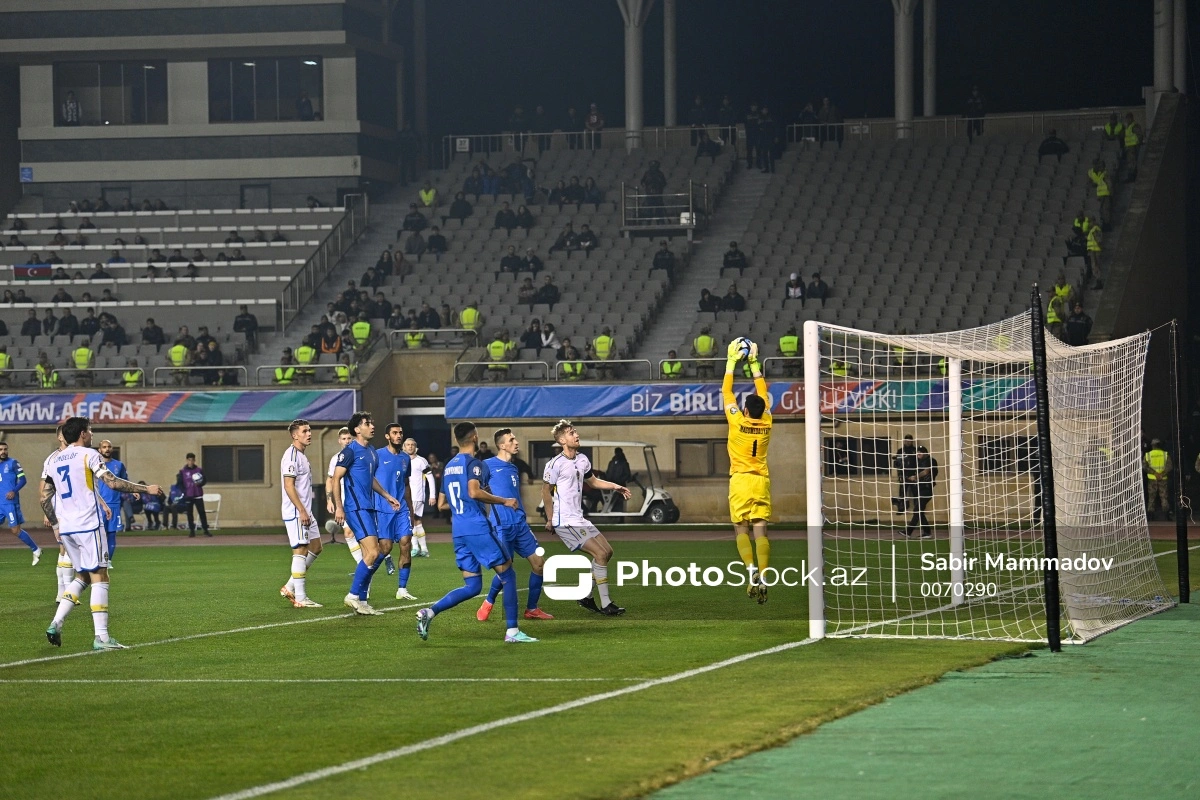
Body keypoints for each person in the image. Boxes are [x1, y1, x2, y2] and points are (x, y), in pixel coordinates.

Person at [42, 416, 164, 650]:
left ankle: (56, 623)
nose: (92, 435)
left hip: (67, 528)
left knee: (83, 576)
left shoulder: (55, 461)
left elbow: (44, 496)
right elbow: (112, 482)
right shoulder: (89, 454)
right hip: (88, 524)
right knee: (101, 576)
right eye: (90, 431)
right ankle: (103, 638)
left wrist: (57, 525)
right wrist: (145, 488)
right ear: (82, 434)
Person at [416, 422, 537, 644]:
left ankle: (429, 613)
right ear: (474, 437)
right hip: (477, 528)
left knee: (472, 586)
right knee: (508, 575)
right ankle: (512, 632)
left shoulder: (450, 465)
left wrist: (472, 497)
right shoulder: (474, 463)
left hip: (459, 531)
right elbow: (473, 492)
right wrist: (503, 500)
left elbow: (442, 504)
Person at [542, 420, 630, 615]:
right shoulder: (554, 464)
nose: (576, 435)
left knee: (607, 552)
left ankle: (587, 596)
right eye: (572, 433)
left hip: (579, 519)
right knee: (599, 554)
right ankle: (606, 604)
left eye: (575, 432)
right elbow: (545, 491)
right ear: (563, 439)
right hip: (565, 521)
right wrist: (549, 519)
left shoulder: (583, 459)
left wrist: (616, 486)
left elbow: (594, 481)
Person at [476, 428, 554, 622]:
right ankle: (489, 601)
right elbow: (475, 491)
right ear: (502, 445)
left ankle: (532, 609)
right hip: (501, 525)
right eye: (512, 440)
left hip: (520, 524)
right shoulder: (486, 465)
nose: (516, 442)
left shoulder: (513, 467)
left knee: (539, 564)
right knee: (506, 569)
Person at [333, 412, 401, 615]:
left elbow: (369, 479)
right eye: (367, 423)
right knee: (373, 552)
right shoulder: (350, 451)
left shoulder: (372, 451)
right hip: (356, 508)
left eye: (371, 422)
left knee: (373, 553)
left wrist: (387, 495)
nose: (372, 426)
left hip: (368, 507)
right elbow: (336, 478)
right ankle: (353, 595)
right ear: (356, 429)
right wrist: (339, 506)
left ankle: (361, 601)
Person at [721, 339, 774, 602]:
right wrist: (754, 362)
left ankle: (751, 569)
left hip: (740, 481)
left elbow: (726, 391)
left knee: (741, 530)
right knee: (760, 530)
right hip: (761, 481)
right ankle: (763, 575)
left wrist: (732, 361)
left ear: (744, 410)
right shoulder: (767, 421)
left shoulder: (737, 421)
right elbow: (762, 393)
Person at [375, 423, 419, 601]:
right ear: (387, 436)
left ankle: (402, 589)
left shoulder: (405, 458)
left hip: (401, 509)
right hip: (383, 509)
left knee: (406, 542)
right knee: (385, 548)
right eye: (394, 433)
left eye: (400, 432)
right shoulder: (377, 455)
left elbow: (406, 485)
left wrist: (411, 509)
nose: (398, 435)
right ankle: (365, 580)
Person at [0, 441, 40, 564]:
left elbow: (23, 480)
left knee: (15, 530)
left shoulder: (13, 463)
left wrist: (14, 490)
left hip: (10, 503)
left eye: (5, 449)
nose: (3, 452)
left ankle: (36, 549)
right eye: (1, 449)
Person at [96, 440, 132, 563]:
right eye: (104, 447)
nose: (107, 449)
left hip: (114, 505)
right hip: (98, 506)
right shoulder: (95, 466)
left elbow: (124, 482)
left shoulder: (119, 465)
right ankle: (98, 560)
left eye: (109, 447)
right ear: (99, 450)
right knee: (99, 536)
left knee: (111, 534)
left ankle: (108, 561)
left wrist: (133, 491)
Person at [403, 438, 436, 558]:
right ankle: (424, 549)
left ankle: (416, 547)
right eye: (408, 445)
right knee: (417, 522)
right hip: (405, 496)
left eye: (412, 445)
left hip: (417, 495)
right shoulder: (402, 460)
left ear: (416, 447)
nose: (410, 447)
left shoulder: (421, 461)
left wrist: (432, 495)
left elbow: (430, 477)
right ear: (404, 447)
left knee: (412, 521)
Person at [906, 450, 939, 537]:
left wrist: (915, 477)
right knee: (919, 511)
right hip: (920, 489)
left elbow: (926, 471)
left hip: (926, 489)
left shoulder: (931, 460)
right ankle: (927, 532)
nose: (918, 454)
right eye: (917, 452)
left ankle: (908, 532)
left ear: (926, 453)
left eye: (920, 452)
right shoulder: (919, 462)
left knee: (917, 510)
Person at [177, 453, 210, 537]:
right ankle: (192, 530)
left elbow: (204, 480)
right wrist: (184, 491)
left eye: (192, 460)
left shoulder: (199, 470)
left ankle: (205, 529)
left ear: (194, 460)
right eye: (189, 460)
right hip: (189, 495)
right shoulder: (183, 471)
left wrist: (199, 483)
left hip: (198, 494)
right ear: (187, 460)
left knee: (201, 512)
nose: (191, 462)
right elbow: (180, 483)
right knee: (190, 513)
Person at [1144, 439, 1173, 521]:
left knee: (1151, 497)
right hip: (1163, 479)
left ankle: (1150, 516)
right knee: (1164, 497)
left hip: (1152, 479)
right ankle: (1167, 516)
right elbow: (1169, 466)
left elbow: (1145, 466)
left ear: (1152, 445)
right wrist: (1161, 474)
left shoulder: (1148, 455)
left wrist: (1154, 473)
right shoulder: (1165, 454)